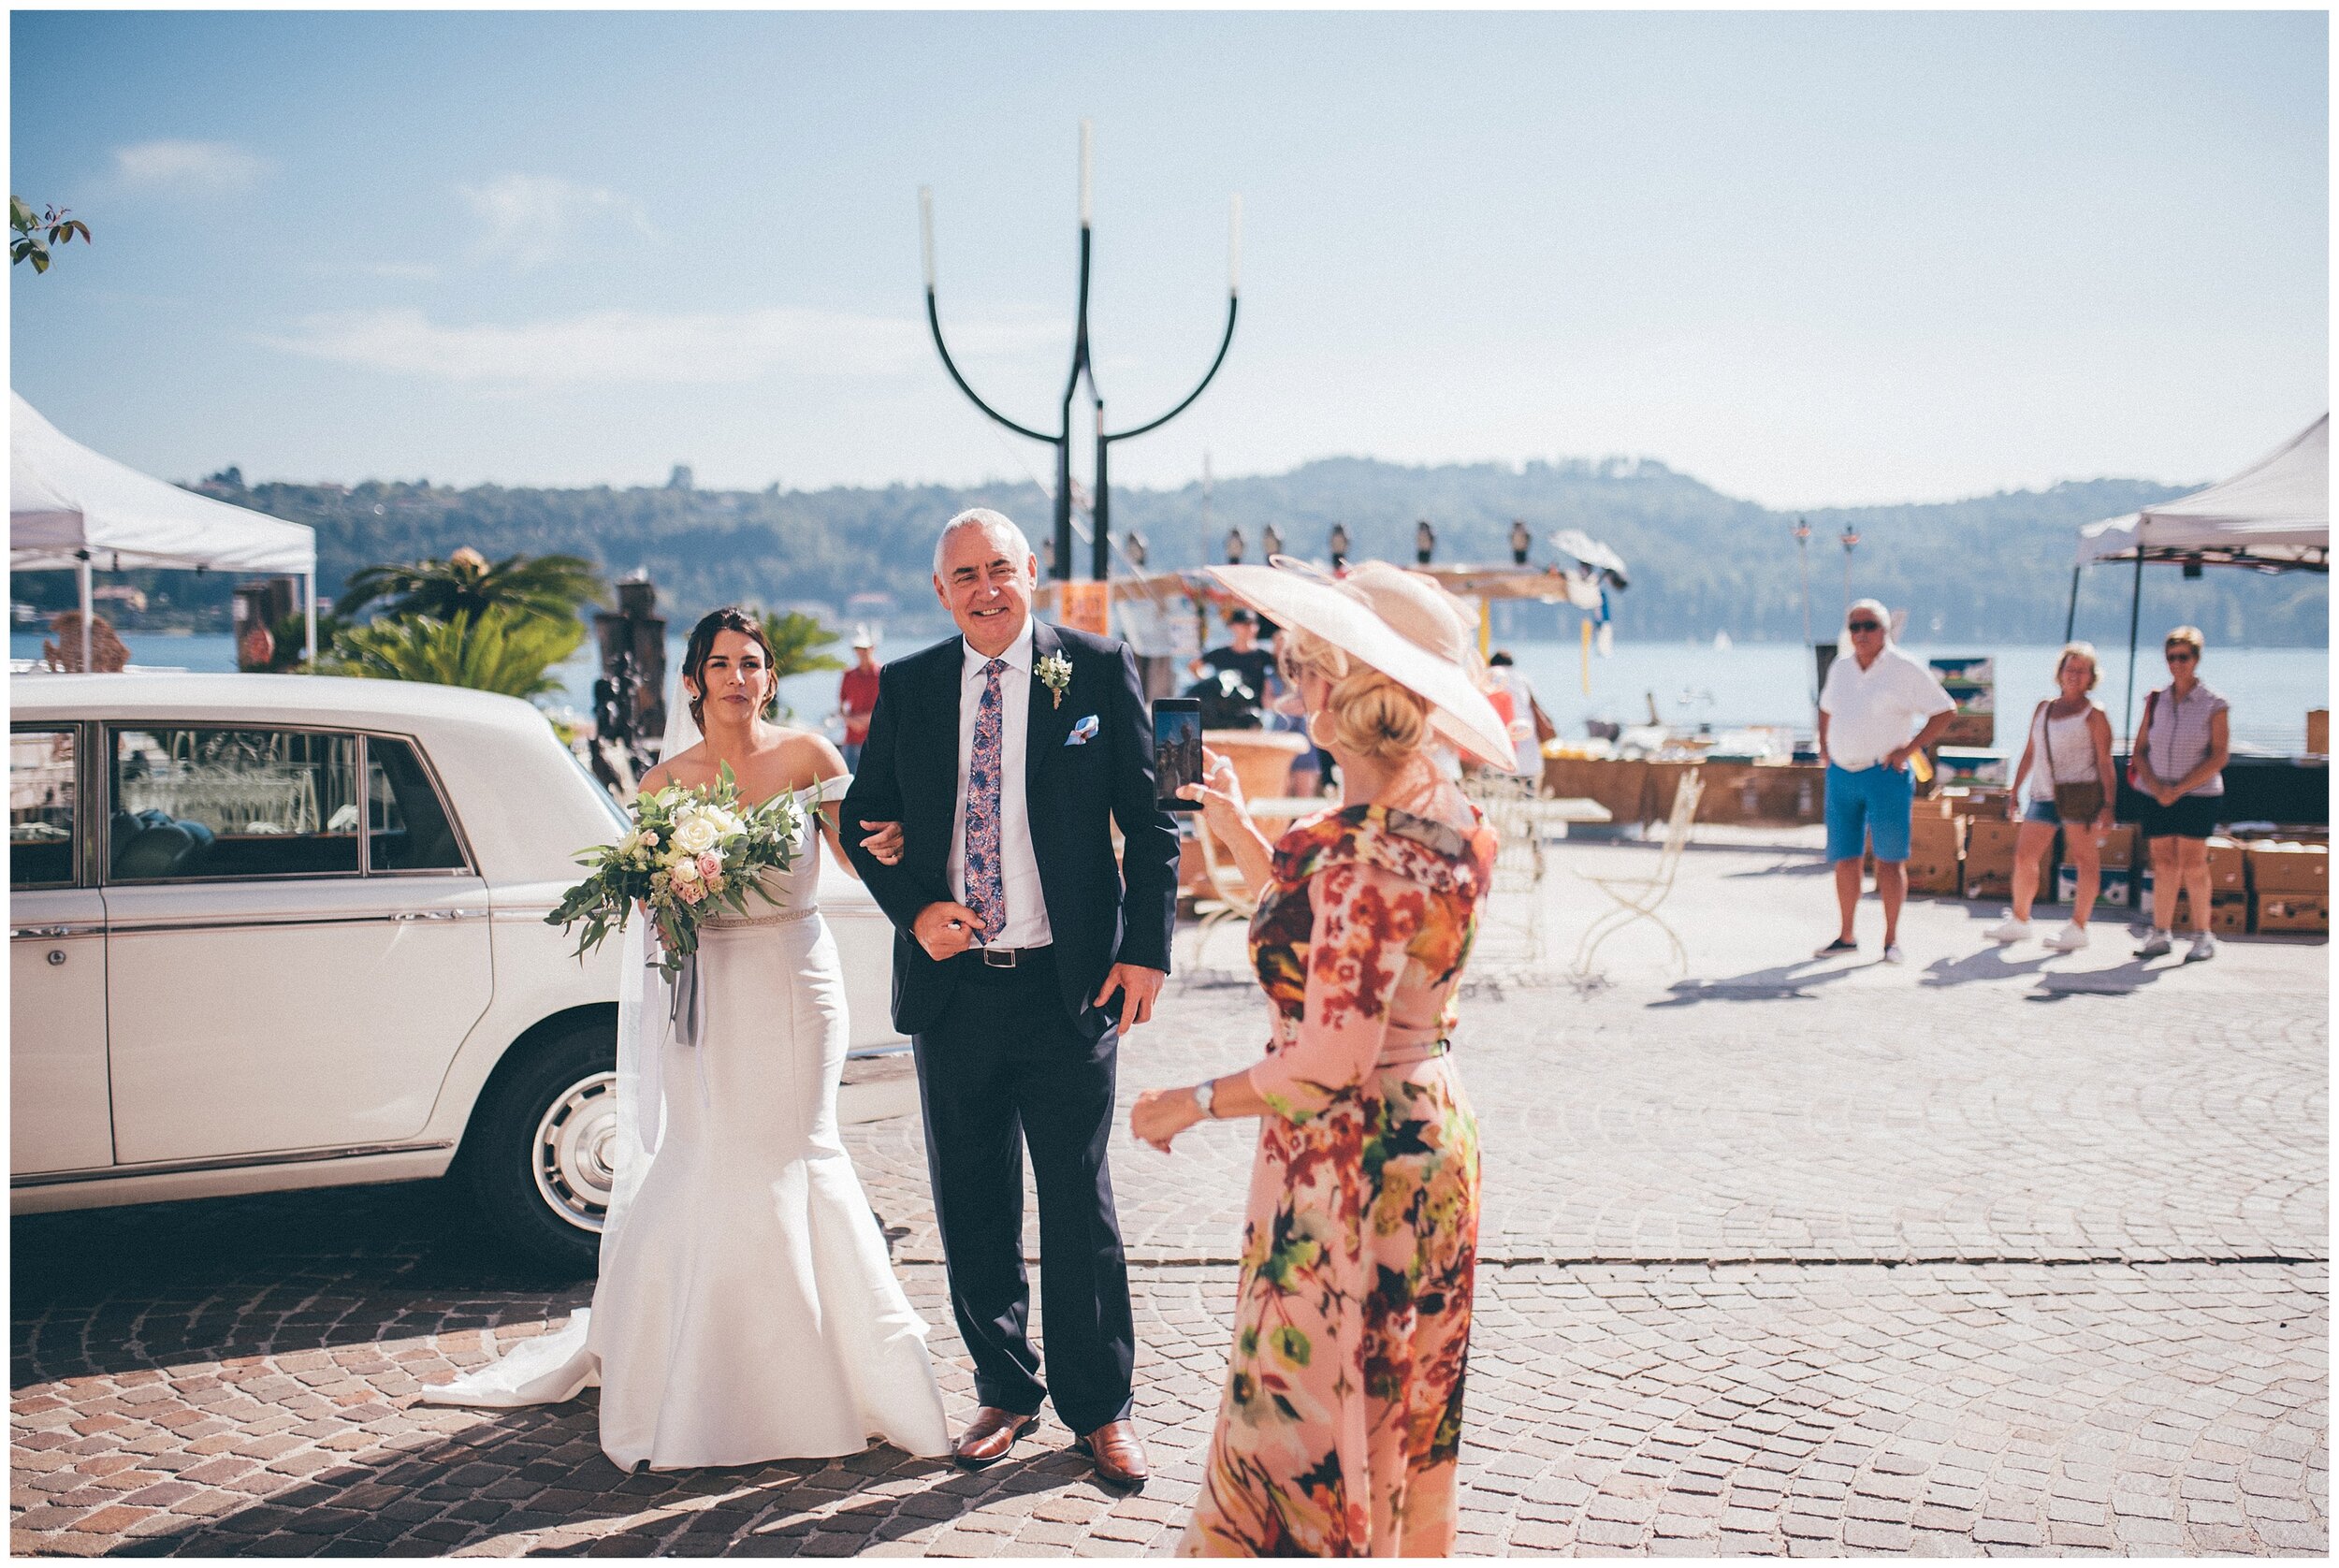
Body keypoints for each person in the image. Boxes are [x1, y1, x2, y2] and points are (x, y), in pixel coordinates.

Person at [420, 608, 951, 1471]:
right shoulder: (665, 785)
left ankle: (849, 1371)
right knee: (708, 1152)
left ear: (770, 677)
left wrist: (894, 841)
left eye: (752, 663)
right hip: (711, 992)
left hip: (800, 979)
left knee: (800, 1148)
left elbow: (860, 857)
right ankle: (700, 1367)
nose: (738, 677)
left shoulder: (812, 758)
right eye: (721, 663)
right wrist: (670, 889)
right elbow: (654, 913)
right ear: (694, 681)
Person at [1128, 559, 1509, 1558]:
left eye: (1303, 674)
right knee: (1397, 1414)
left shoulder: (1350, 850)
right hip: (1430, 1141)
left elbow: (1329, 1056)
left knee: (1299, 1421)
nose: (1293, 695)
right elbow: (1343, 951)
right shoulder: (1457, 827)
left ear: (1346, 693)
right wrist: (1248, 837)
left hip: (1345, 1166)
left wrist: (1189, 1099)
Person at [843, 508, 1180, 1488]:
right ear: (940, 592)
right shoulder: (908, 686)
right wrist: (914, 910)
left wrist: (1146, 952)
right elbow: (866, 818)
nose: (985, 588)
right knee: (973, 1199)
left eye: (1000, 568)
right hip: (954, 990)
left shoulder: (1094, 665)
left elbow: (1151, 825)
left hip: (1068, 986)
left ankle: (1099, 1407)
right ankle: (1004, 1384)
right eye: (964, 576)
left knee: (1079, 1199)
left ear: (1030, 571)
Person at [1814, 600, 1956, 965]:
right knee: (1845, 858)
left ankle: (1891, 941)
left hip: (1884, 775)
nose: (1861, 633)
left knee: (1889, 860)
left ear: (1885, 629)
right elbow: (1826, 707)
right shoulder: (1842, 668)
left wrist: (1908, 750)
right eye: (1855, 626)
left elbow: (1945, 711)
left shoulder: (1904, 668)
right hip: (1842, 774)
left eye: (1870, 625)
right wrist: (1825, 748)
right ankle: (1846, 936)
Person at [1987, 643, 2116, 951]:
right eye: (2069, 669)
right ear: (2059, 673)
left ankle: (2078, 926)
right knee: (2024, 856)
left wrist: (2109, 805)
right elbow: (2031, 751)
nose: (2074, 675)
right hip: (2043, 794)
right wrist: (2015, 789)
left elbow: (2104, 761)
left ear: (2091, 677)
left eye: (2081, 671)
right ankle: (2020, 920)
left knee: (2085, 859)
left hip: (2081, 794)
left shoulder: (2094, 714)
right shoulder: (2044, 707)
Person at [2131, 625, 2230, 962]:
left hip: (2198, 794)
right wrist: (2158, 787)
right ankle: (2160, 932)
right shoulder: (2155, 699)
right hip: (2156, 792)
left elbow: (2219, 755)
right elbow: (2140, 749)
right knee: (2163, 862)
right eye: (2171, 657)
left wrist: (2179, 788)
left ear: (2197, 659)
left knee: (2193, 862)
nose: (2177, 663)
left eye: (2183, 657)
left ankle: (2203, 935)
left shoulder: (2214, 703)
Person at [1188, 607, 1275, 728]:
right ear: (1232, 626)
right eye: (1243, 624)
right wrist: (1207, 682)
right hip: (1225, 714)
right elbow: (1194, 665)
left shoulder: (1264, 655)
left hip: (1254, 713)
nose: (1247, 628)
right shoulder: (1222, 653)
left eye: (1251, 624)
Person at [1487, 649, 1543, 778]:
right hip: (1527, 732)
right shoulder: (1523, 679)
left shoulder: (1492, 677)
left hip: (1503, 733)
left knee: (1502, 775)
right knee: (1526, 778)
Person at [838, 627, 881, 771]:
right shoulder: (848, 675)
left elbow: (884, 709)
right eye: (857, 648)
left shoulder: (882, 675)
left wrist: (856, 721)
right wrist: (855, 722)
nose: (861, 652)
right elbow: (842, 706)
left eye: (864, 648)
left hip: (874, 741)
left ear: (872, 648)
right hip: (850, 741)